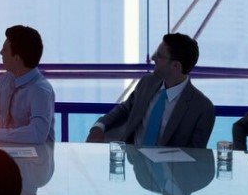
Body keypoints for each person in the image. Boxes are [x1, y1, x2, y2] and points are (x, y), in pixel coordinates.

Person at [87, 33, 215, 148]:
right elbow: (125, 109)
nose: (153, 58)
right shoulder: (147, 83)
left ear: (175, 66)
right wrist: (99, 127)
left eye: (159, 56)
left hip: (170, 172)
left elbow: (197, 157)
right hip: (132, 164)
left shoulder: (202, 109)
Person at [0, 25, 55, 144]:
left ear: (16, 58)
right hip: (8, 151)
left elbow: (37, 133)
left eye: (5, 49)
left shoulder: (40, 90)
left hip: (36, 158)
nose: (0, 52)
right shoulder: (6, 80)